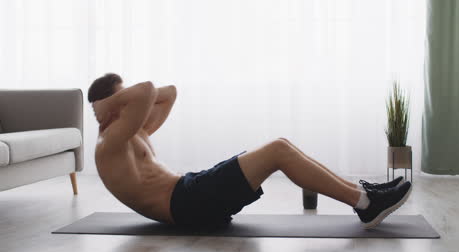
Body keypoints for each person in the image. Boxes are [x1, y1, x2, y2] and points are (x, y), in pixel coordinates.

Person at [89, 73, 412, 229]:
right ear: (111, 106)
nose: (130, 100)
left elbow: (168, 93)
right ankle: (366, 205)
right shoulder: (111, 144)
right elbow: (145, 90)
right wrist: (107, 104)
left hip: (190, 193)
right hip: (186, 205)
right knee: (276, 151)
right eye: (122, 98)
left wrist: (113, 102)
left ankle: (361, 192)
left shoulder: (135, 132)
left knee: (281, 144)